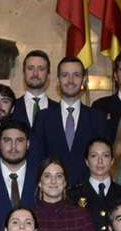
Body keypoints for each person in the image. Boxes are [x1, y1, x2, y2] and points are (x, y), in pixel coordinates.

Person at [32, 57, 109, 185]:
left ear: (84, 79)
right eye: (65, 75)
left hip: (88, 193)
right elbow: (37, 158)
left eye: (76, 75)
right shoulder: (43, 118)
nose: (71, 80)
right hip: (53, 191)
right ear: (57, 80)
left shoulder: (97, 117)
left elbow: (104, 158)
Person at [0, 118, 38, 230]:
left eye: (20, 140)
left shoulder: (40, 179)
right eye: (7, 140)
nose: (13, 146)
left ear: (28, 144)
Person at [67, 137, 121, 231]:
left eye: (105, 156)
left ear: (112, 161)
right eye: (94, 156)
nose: (100, 161)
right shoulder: (72, 195)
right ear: (86, 161)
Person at [16, 48, 55, 128]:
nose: (35, 73)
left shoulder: (58, 110)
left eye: (41, 69)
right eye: (30, 68)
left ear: (48, 75)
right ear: (23, 73)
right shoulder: (12, 107)